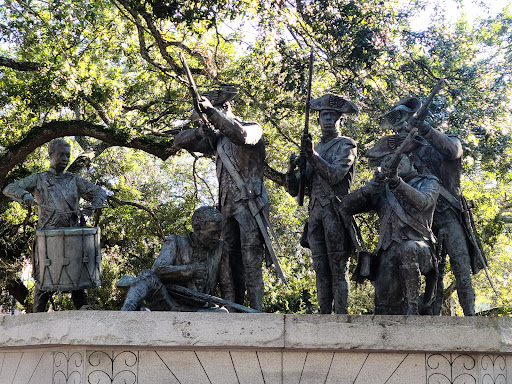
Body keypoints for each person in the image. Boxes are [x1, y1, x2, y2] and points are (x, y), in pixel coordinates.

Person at [381, 96, 483, 316]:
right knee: (426, 272)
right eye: (397, 128)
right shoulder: (403, 154)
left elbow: (452, 151)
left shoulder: (444, 141)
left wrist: (425, 129)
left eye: (404, 124)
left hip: (449, 213)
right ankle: (420, 312)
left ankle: (471, 317)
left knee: (461, 269)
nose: (401, 130)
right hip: (419, 221)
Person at [174, 87, 267, 311]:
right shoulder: (217, 140)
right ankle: (236, 309)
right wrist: (200, 132)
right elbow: (178, 141)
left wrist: (212, 113)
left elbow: (242, 136)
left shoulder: (252, 128)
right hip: (226, 209)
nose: (209, 121)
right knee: (231, 262)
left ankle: (256, 311)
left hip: (249, 205)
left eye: (211, 114)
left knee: (250, 260)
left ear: (224, 109)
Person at [3, 138, 107, 312]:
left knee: (78, 286)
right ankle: (37, 320)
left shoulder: (74, 180)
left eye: (68, 155)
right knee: (43, 286)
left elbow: (99, 192)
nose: (66, 158)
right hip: (48, 239)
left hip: (72, 240)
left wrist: (93, 206)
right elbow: (9, 188)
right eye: (61, 155)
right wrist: (25, 196)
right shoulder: (39, 179)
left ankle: (84, 318)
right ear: (51, 155)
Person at [340, 135, 440, 315]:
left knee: (408, 249)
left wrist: (397, 182)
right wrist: (370, 187)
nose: (394, 163)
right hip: (388, 252)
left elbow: (423, 202)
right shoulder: (382, 190)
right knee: (383, 309)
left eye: (398, 158)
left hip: (421, 249)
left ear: (410, 159)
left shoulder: (428, 181)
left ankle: (413, 308)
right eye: (387, 160)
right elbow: (345, 206)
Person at [286, 94, 358, 314]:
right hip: (315, 214)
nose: (328, 119)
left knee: (338, 268)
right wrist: (293, 169)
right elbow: (297, 189)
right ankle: (323, 315)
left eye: (333, 115)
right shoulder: (313, 148)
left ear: (341, 120)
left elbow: (336, 175)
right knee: (320, 269)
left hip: (336, 212)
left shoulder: (346, 145)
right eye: (324, 115)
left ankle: (341, 316)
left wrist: (312, 155)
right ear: (317, 120)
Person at [121, 206, 235, 311]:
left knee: (222, 313)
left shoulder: (220, 248)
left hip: (201, 310)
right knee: (147, 276)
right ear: (197, 229)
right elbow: (158, 270)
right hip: (171, 305)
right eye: (213, 233)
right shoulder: (175, 242)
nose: (216, 238)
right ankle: (127, 311)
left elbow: (227, 286)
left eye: (219, 233)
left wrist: (233, 319)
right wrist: (190, 270)